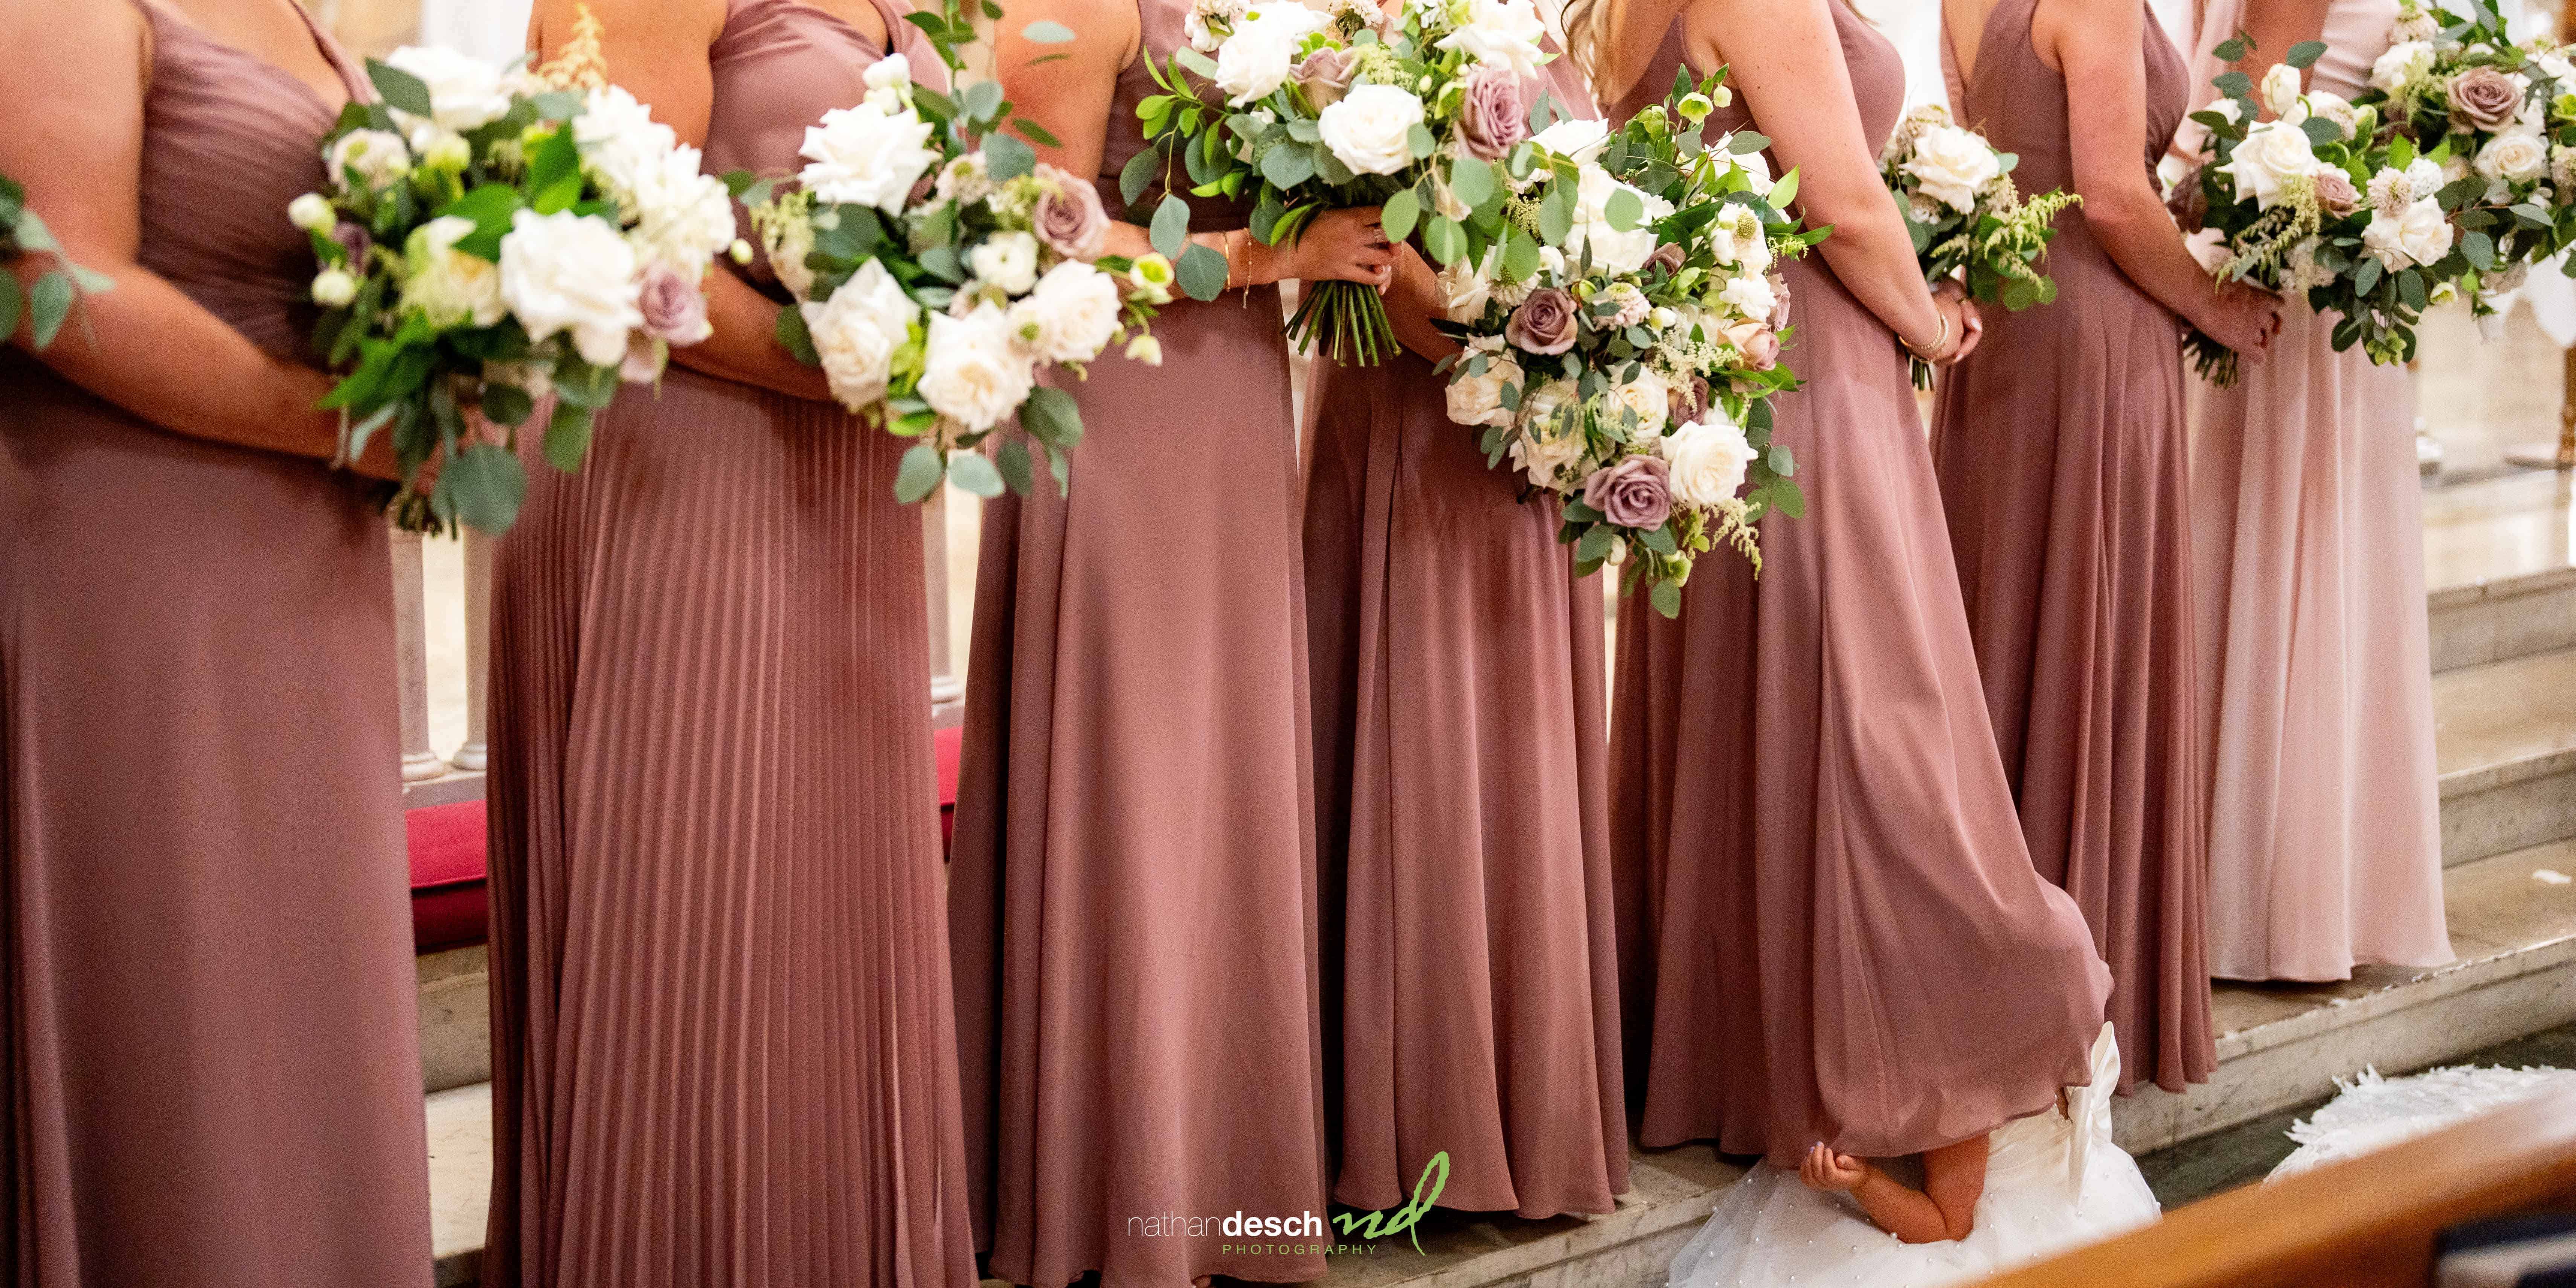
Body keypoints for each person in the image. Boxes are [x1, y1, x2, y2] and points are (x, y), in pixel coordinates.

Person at [1573, 0, 2124, 1246]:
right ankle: (1957, 1023)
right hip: (1809, 374)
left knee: (1752, 716)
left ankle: (1727, 1063)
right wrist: (1928, 321)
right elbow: (1841, 203)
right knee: (1881, 717)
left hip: (1722, 377)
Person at [481, 0, 978, 1284]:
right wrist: (865, 365)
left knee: (825, 910)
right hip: (681, 462)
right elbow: (606, 238)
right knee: (697, 907)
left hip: (839, 478)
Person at [948, 1, 1394, 1282]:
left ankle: (1223, 1172)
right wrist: (1269, 256)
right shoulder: (1076, 10)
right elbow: (1036, 248)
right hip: (1120, 409)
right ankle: (1114, 1181)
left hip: (1233, 401)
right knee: (1136, 773)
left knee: (1222, 782)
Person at [0, 0, 433, 1283]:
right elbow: (43, 282)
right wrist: (349, 426)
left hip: (305, 571)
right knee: (179, 994)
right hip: (137, 562)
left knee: (305, 1003)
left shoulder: (314, 7)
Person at [1302, 26, 1629, 1221]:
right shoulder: (1371, 43)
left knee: (1519, 753)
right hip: (1427, 426)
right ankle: (1420, 1116)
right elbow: (1391, 276)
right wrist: (1548, 370)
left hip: (1527, 443)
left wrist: (1614, 353)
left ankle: (1525, 1099)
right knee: (1427, 749)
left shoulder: (1540, 36)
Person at [1929, 0, 2279, 1094]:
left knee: (2000, 632)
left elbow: (1991, 161)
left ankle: (1989, 968)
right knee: (2090, 638)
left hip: (2004, 329)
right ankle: (2087, 984)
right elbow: (2113, 200)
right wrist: (2215, 305)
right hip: (2092, 337)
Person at [2180, 0, 2453, 983]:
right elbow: (2252, 96)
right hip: (2306, 278)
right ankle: (2262, 888)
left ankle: (2313, 884)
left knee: (2332, 563)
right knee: (2289, 551)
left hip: (2354, 271)